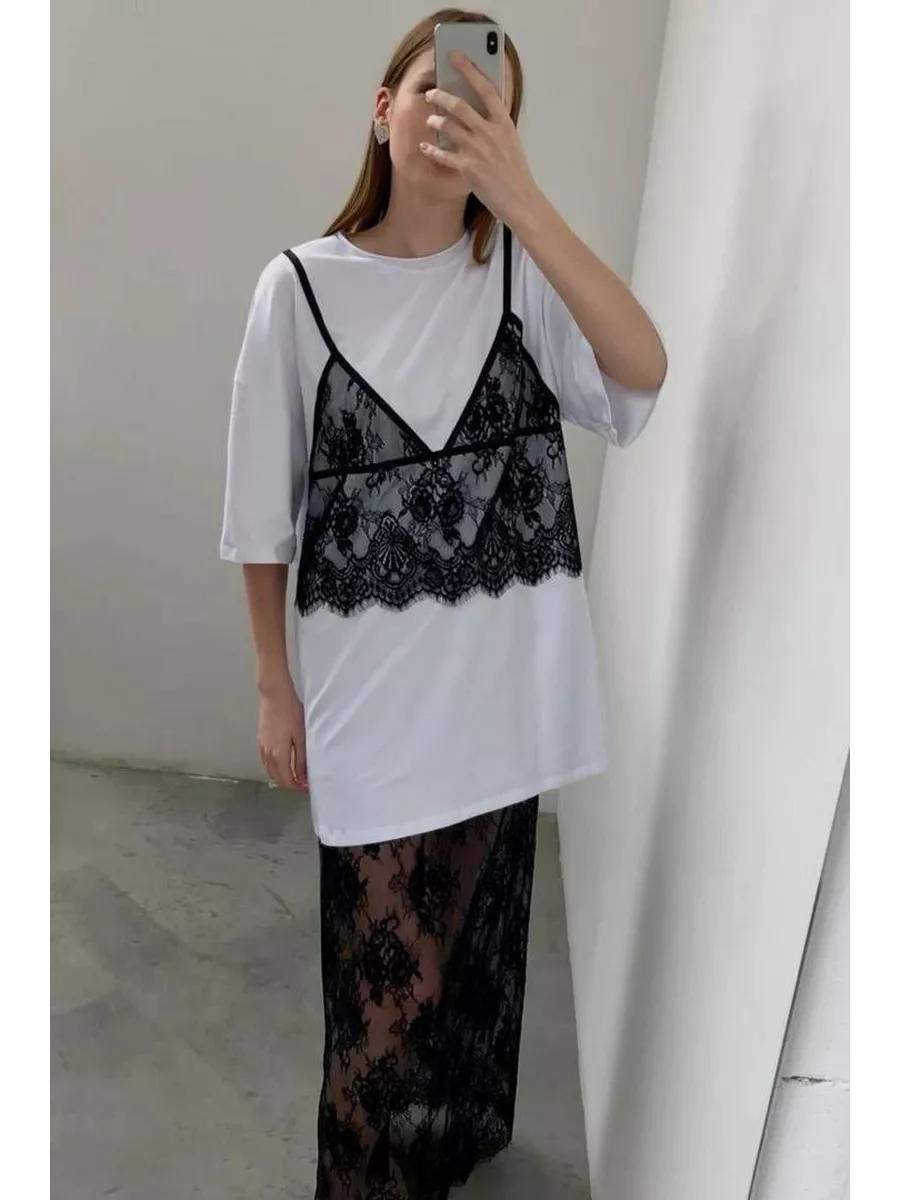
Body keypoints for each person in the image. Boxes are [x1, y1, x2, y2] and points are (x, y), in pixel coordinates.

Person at [221, 8, 666, 1197]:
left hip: (501, 702)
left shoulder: (520, 275)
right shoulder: (299, 291)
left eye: (486, 103)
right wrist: (273, 687)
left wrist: (526, 206)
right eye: (435, 87)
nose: (454, 113)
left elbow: (641, 372)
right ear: (383, 110)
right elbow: (260, 515)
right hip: (372, 708)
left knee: (463, 961)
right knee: (384, 1001)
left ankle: (440, 1152)